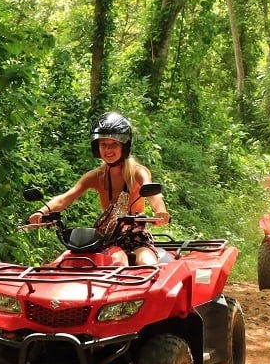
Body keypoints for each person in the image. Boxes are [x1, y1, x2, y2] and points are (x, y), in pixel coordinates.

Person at [28, 112, 170, 265]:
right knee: (61, 264)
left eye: (114, 144)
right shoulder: (95, 176)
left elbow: (153, 194)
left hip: (135, 237)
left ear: (124, 146)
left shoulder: (137, 172)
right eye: (103, 144)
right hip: (104, 238)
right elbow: (66, 197)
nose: (108, 150)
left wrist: (160, 212)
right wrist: (42, 211)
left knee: (147, 265)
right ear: (97, 147)